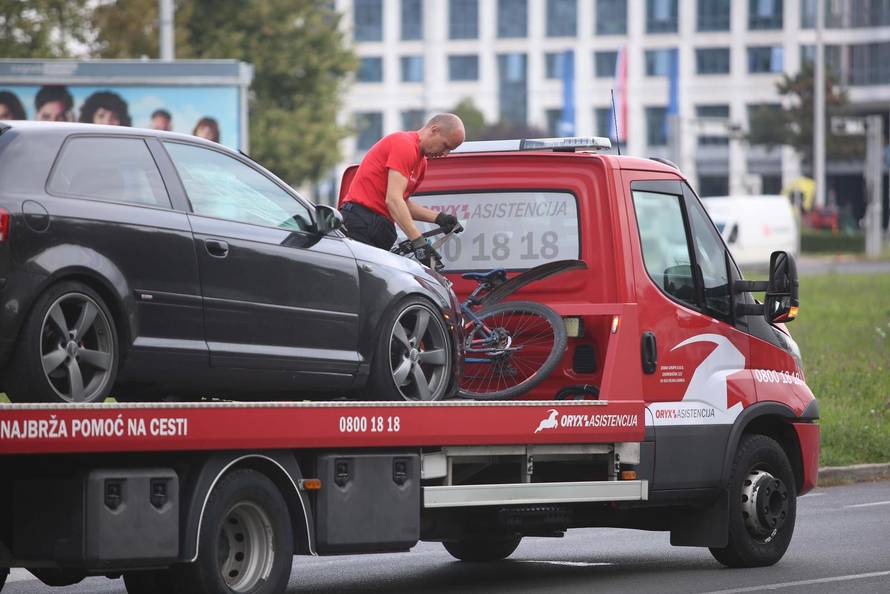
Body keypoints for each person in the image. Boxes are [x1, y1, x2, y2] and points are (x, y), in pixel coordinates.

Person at [340, 113, 465, 266]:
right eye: (445, 146)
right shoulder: (404, 144)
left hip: (379, 226)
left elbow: (401, 201)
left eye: (449, 150)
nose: (445, 154)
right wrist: (419, 242)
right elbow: (393, 200)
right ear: (434, 130)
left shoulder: (421, 163)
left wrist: (439, 218)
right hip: (361, 222)